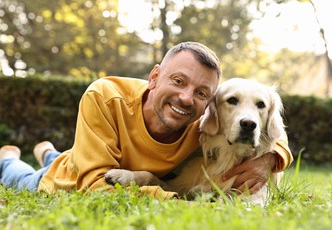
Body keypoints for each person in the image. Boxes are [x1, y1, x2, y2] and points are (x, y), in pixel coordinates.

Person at [0, 41, 293, 199]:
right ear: (154, 77)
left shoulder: (205, 119)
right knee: (20, 178)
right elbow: (94, 183)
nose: (187, 98)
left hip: (100, 161)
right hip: (76, 173)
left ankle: (48, 152)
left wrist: (270, 159)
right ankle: (10, 157)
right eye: (178, 81)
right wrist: (170, 202)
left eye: (201, 92)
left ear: (209, 103)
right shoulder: (105, 95)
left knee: (70, 155)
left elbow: (265, 125)